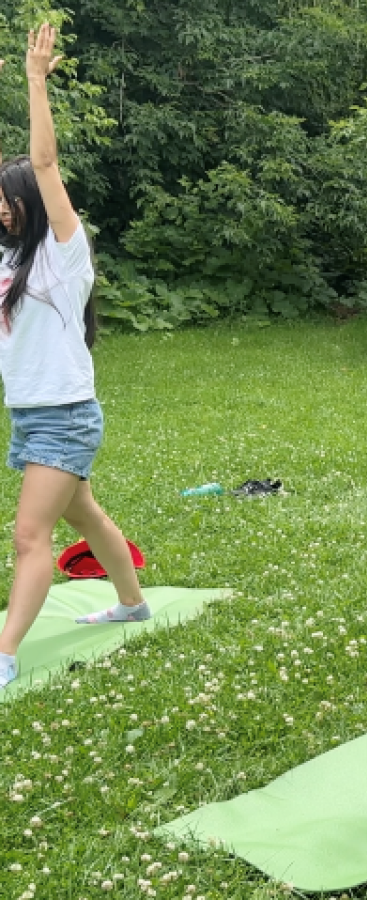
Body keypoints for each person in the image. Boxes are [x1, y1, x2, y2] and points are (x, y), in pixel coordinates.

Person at [0, 24, 150, 691]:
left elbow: (46, 166)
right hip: (31, 416)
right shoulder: (8, 258)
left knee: (30, 537)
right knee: (85, 514)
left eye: (8, 201)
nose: (1, 210)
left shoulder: (65, 257)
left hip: (64, 415)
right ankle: (133, 603)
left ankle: (4, 654)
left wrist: (35, 85)